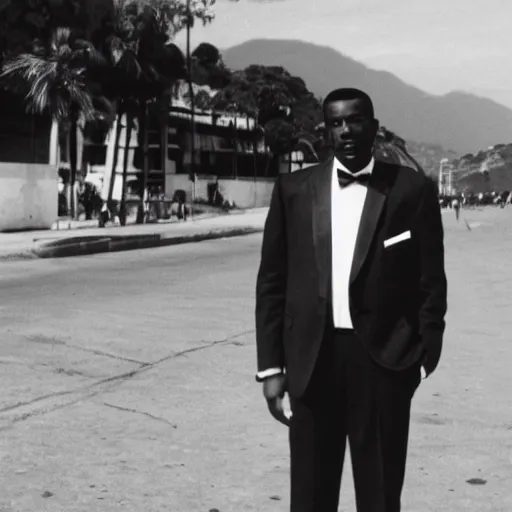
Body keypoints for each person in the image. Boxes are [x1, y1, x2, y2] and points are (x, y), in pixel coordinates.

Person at [255, 88, 447, 512]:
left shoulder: (410, 190)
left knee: (379, 497)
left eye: (355, 120)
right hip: (312, 361)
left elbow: (431, 281)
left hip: (383, 364)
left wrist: (423, 356)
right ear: (326, 131)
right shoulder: (293, 189)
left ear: (373, 128)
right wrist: (271, 367)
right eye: (336, 122)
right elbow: (272, 282)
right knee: (310, 496)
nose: (346, 130)